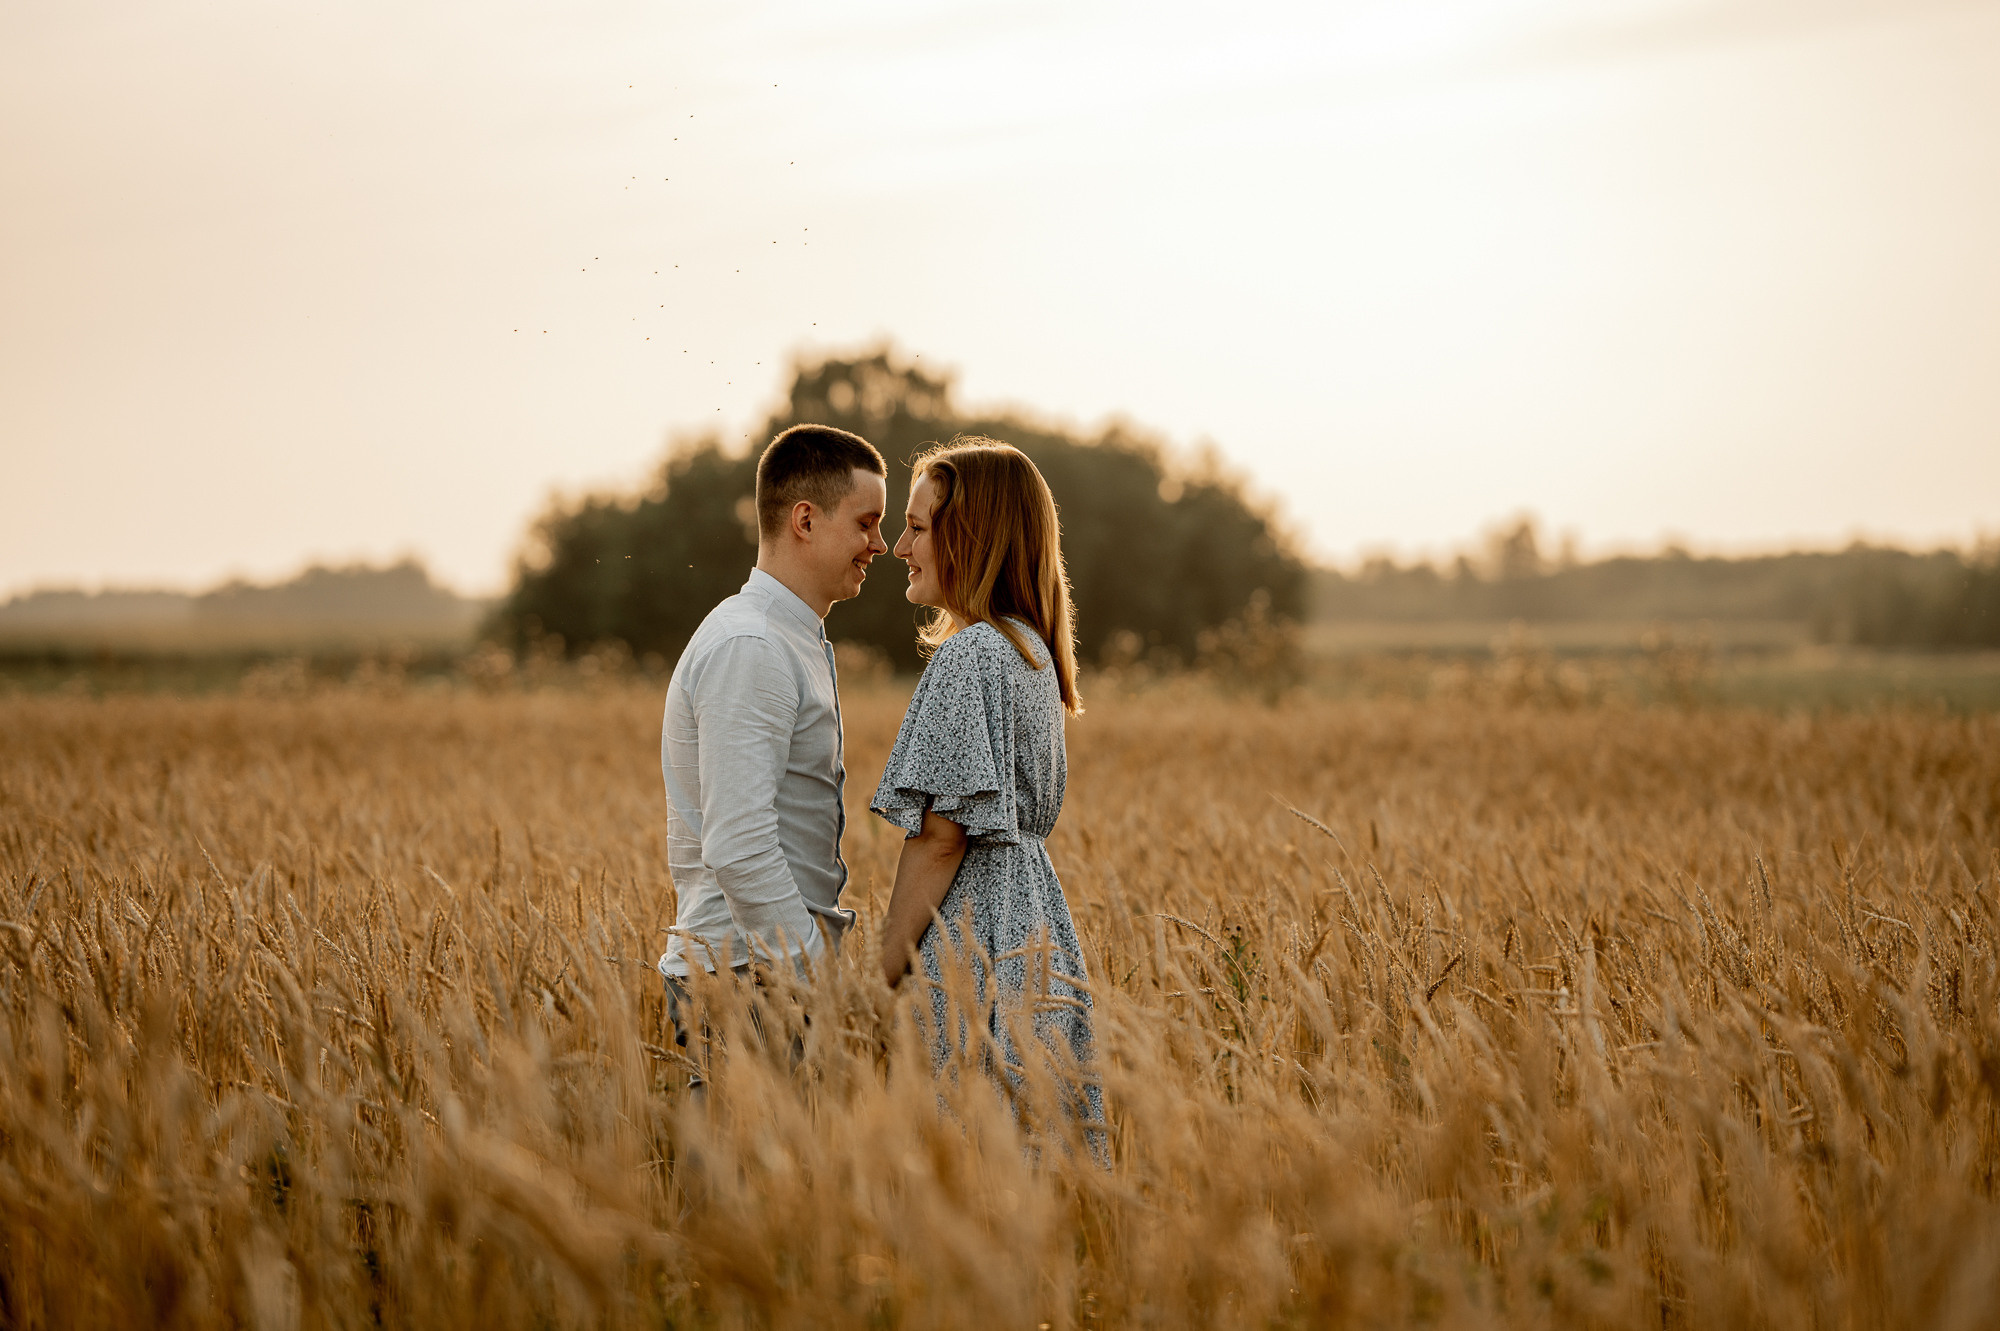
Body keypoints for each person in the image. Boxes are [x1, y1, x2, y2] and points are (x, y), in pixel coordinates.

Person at [870, 437, 1105, 1133]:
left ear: (967, 536)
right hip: (1034, 923)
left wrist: (874, 980)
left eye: (916, 527)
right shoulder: (1029, 648)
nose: (898, 547)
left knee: (960, 1144)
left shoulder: (971, 653)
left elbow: (941, 840)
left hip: (977, 930)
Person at [657, 424, 888, 1053]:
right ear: (805, 521)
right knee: (743, 1153)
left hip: (760, 971)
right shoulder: (753, 646)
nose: (881, 544)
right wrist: (812, 974)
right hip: (747, 980)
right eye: (866, 523)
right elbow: (737, 843)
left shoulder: (783, 636)